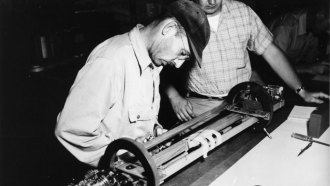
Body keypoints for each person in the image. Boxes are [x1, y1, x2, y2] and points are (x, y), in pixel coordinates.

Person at [55, 0, 210, 167]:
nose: (178, 64)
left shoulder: (153, 63)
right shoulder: (111, 61)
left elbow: (138, 122)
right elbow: (71, 130)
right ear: (169, 29)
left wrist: (159, 135)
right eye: (182, 53)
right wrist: (125, 156)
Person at [164, 0, 330, 122]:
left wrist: (302, 91)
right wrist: (173, 97)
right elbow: (157, 62)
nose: (212, 2)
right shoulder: (181, 18)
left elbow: (271, 52)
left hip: (244, 104)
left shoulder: (243, 12)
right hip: (200, 106)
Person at [268, 4, 330, 75]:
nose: (328, 31)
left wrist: (322, 60)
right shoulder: (286, 26)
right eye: (328, 26)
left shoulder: (313, 27)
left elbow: (310, 59)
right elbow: (274, 68)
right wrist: (308, 68)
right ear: (320, 15)